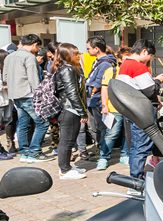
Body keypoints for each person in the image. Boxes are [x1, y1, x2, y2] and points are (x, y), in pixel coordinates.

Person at [117, 40, 161, 179]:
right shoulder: (138, 67)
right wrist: (158, 81)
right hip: (141, 111)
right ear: (144, 52)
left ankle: (135, 176)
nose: (150, 59)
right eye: (151, 56)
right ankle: (136, 179)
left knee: (136, 145)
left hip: (131, 110)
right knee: (141, 146)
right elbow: (149, 90)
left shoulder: (125, 65)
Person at [4, 34, 49, 162]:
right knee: (43, 123)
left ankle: (24, 152)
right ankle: (34, 151)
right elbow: (34, 79)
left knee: (23, 123)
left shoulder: (9, 56)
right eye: (38, 46)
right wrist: (40, 96)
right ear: (35, 44)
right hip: (28, 94)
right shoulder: (29, 57)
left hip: (14, 95)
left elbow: (5, 76)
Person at [52, 43, 87, 180]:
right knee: (67, 140)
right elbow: (72, 93)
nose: (79, 56)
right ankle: (64, 170)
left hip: (70, 109)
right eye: (76, 54)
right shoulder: (67, 70)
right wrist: (82, 112)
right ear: (68, 56)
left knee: (69, 139)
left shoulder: (69, 68)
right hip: (69, 109)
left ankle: (67, 166)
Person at [84, 38, 117, 170]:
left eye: (88, 48)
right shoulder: (98, 62)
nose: (87, 51)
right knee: (96, 128)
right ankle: (101, 150)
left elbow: (99, 83)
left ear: (96, 48)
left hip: (98, 100)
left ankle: (104, 154)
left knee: (102, 128)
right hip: (93, 100)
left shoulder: (105, 64)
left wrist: (91, 90)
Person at [99, 46, 126, 169]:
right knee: (112, 134)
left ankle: (125, 155)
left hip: (130, 109)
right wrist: (105, 105)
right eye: (125, 59)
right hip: (114, 108)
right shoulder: (112, 71)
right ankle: (104, 157)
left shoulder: (134, 72)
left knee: (128, 134)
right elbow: (104, 89)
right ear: (119, 59)